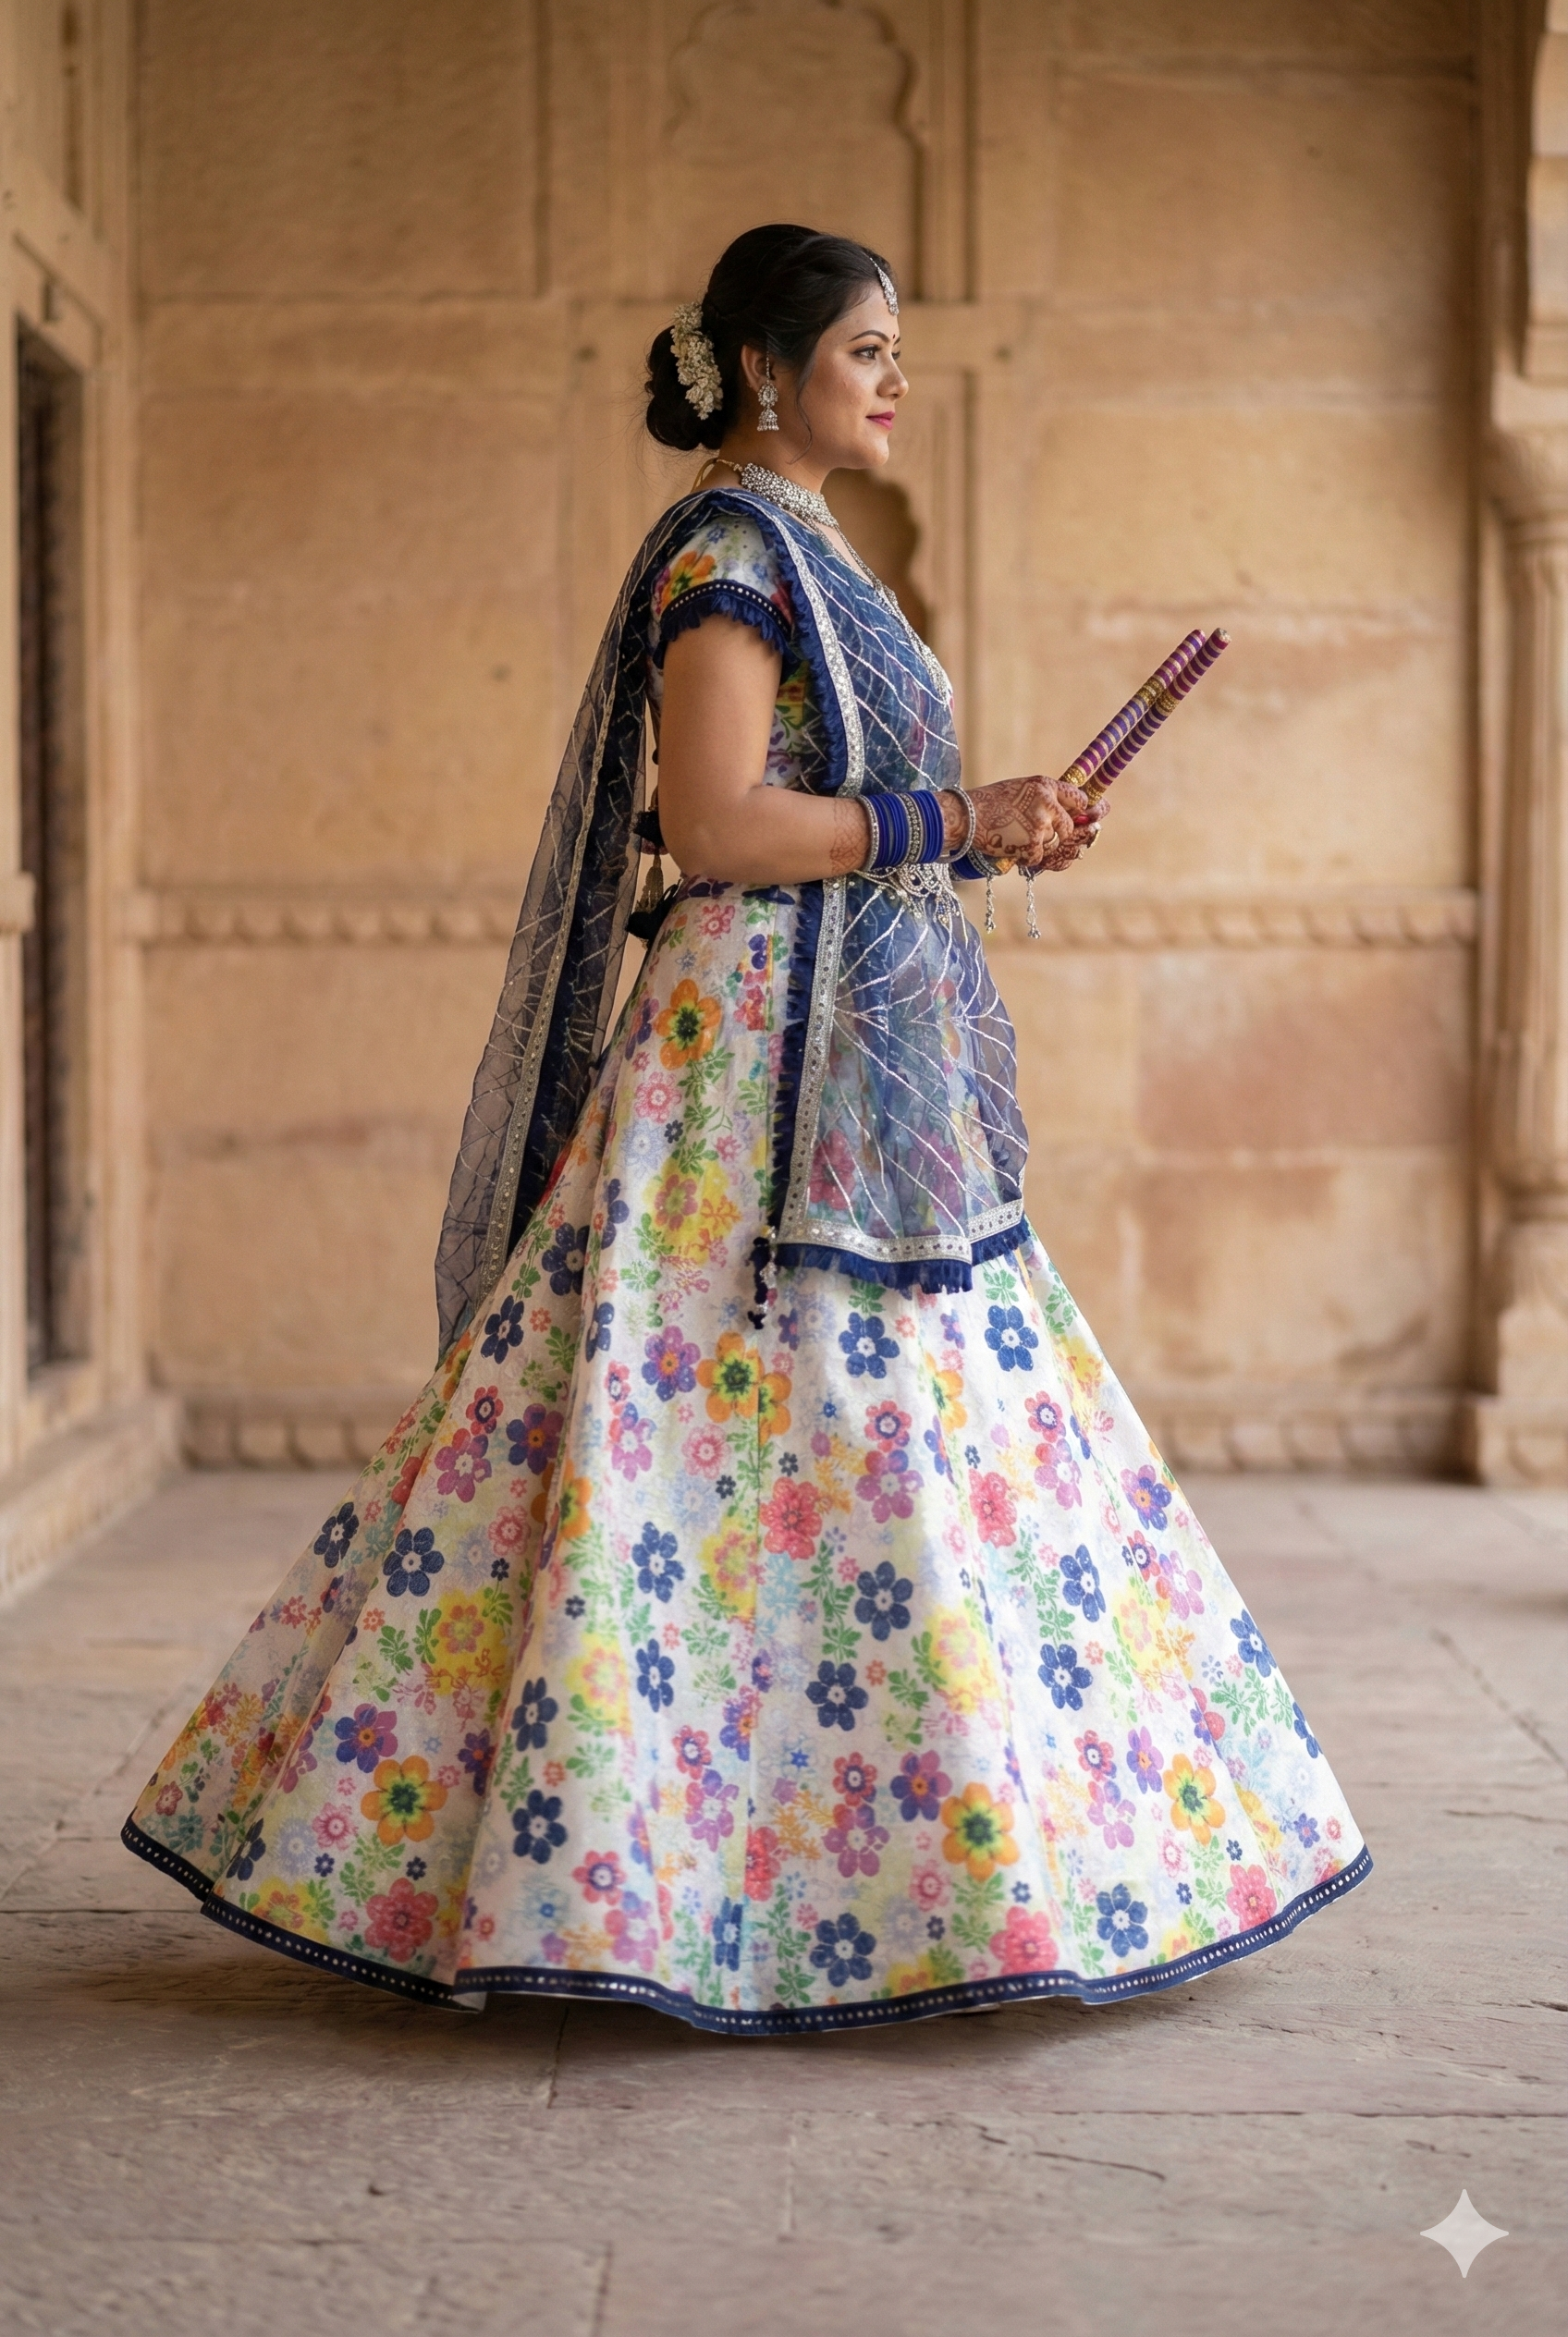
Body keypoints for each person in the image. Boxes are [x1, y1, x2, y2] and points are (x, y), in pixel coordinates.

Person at [124, 226, 1368, 2031]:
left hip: (849, 1057)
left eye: (896, 350)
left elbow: (835, 807)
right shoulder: (725, 553)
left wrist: (985, 827)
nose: (891, 379)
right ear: (763, 368)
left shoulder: (807, 551)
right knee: (714, 1438)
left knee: (870, 1441)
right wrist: (956, 812)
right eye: (863, 346)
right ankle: (655, 1873)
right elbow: (710, 825)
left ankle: (886, 1867)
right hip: (741, 1082)